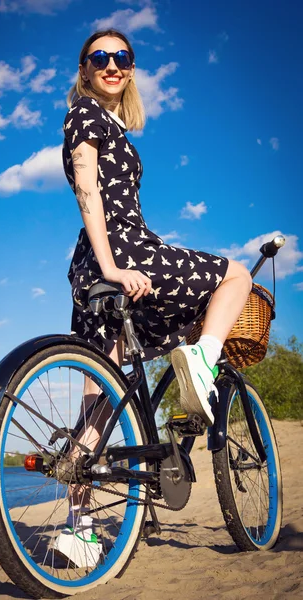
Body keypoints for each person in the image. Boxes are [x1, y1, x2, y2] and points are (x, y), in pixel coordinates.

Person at [54, 28, 252, 567]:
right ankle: (203, 361)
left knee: (99, 403)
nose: (112, 65)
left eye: (123, 57)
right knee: (236, 276)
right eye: (101, 58)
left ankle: (81, 530)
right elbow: (88, 191)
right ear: (85, 69)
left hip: (98, 265)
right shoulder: (85, 116)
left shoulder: (116, 126)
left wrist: (113, 263)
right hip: (119, 256)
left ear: (131, 68)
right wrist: (116, 266)